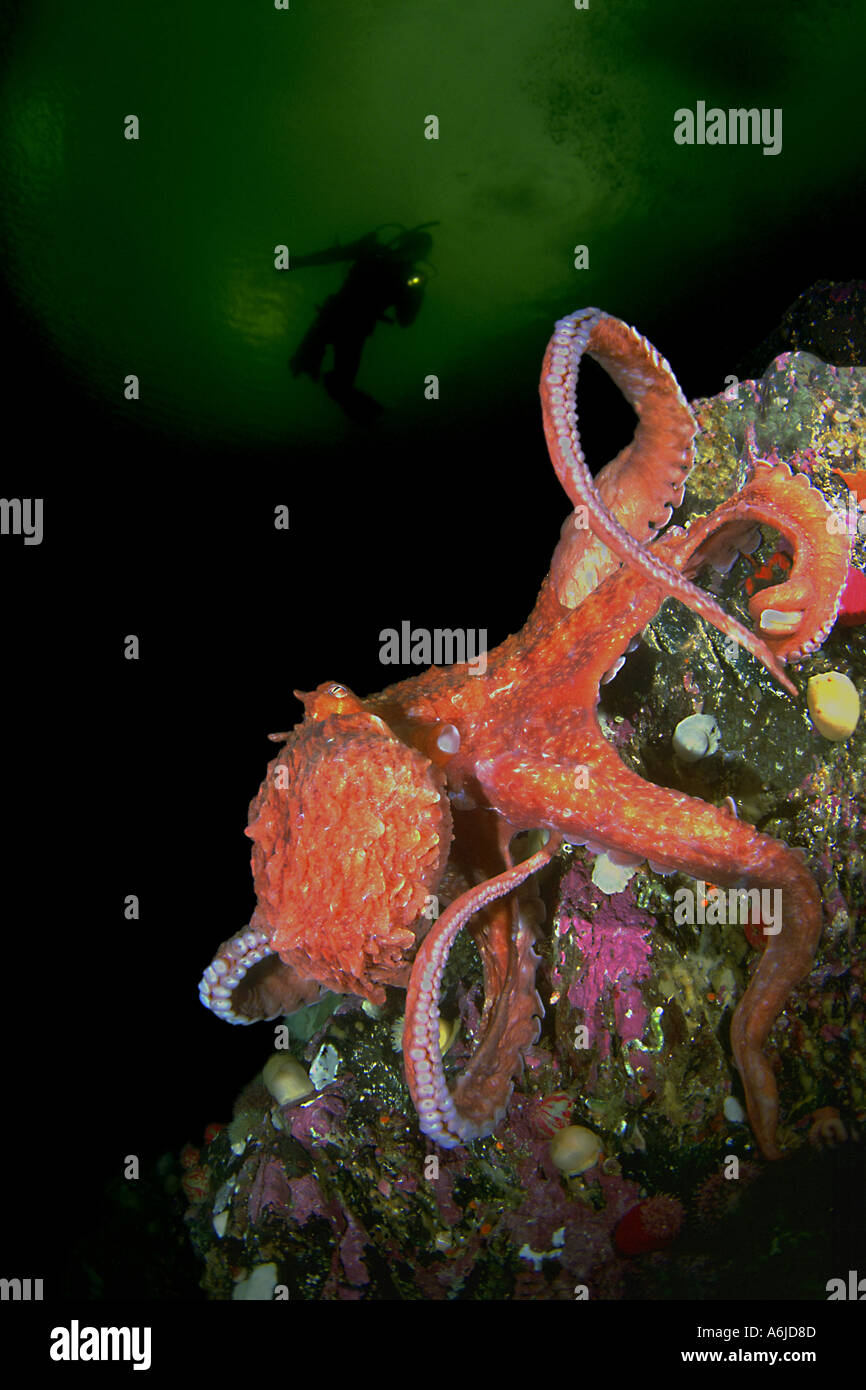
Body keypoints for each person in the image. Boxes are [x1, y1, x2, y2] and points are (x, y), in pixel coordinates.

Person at [289, 224, 436, 423]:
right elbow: (333, 256)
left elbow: (405, 321)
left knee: (340, 388)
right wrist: (295, 262)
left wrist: (417, 293)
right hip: (333, 319)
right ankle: (378, 420)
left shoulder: (409, 280)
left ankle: (380, 421)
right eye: (418, 249)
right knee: (300, 365)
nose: (418, 255)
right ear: (406, 244)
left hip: (352, 331)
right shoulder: (371, 251)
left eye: (422, 252)